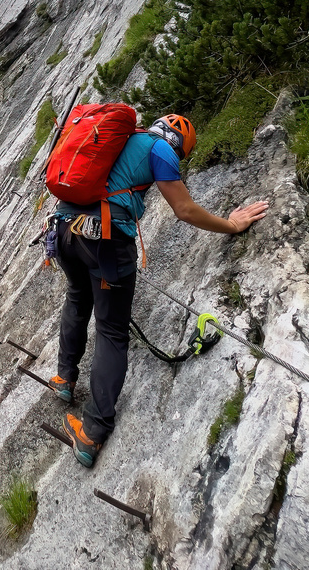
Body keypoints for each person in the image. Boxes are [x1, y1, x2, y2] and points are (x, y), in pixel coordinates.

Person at [49, 113, 268, 468]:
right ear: (179, 142)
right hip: (104, 239)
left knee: (77, 297)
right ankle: (93, 430)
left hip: (63, 231)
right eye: (183, 155)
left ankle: (64, 377)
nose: (178, 161)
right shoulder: (161, 150)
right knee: (112, 331)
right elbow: (183, 209)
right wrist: (231, 224)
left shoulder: (120, 140)